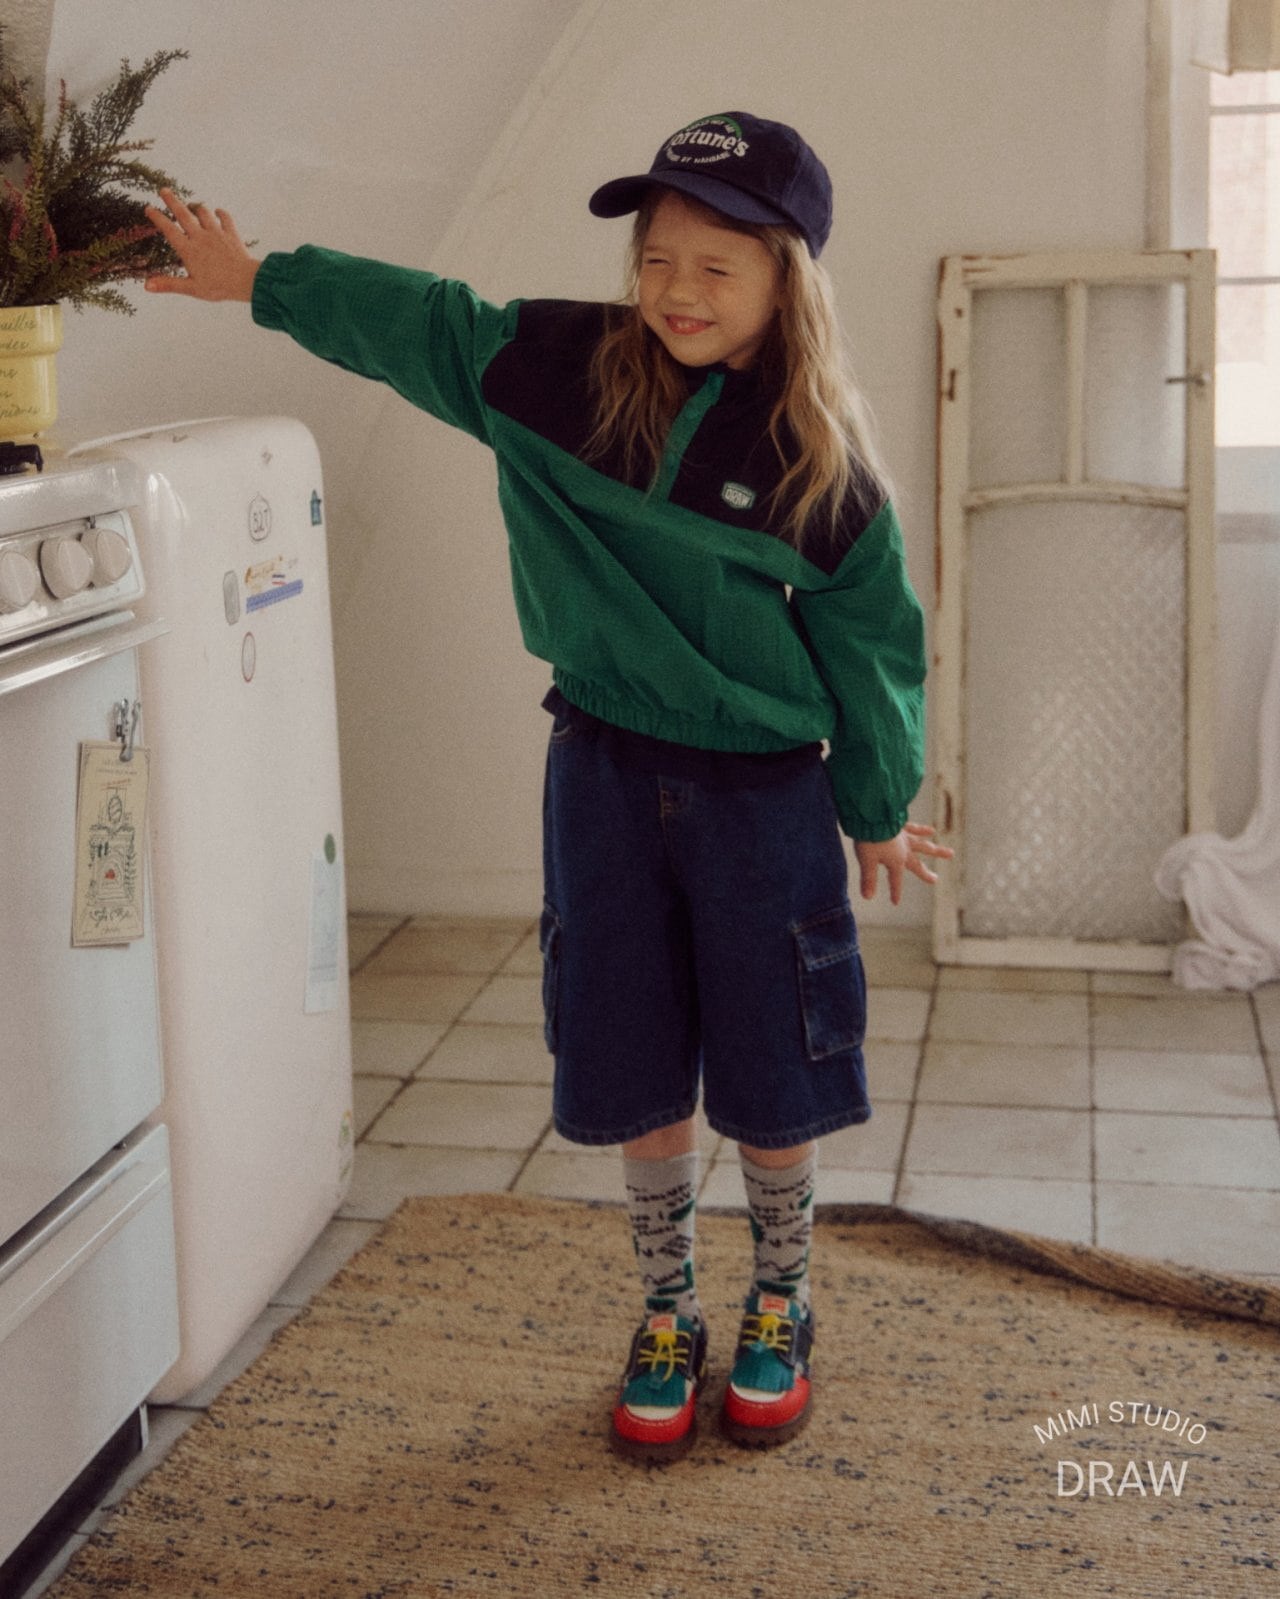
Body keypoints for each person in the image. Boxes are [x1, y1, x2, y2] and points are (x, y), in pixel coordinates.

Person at [145, 109, 951, 1463]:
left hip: (762, 799)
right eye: (658, 257)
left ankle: (783, 1297)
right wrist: (262, 282)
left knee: (777, 1058)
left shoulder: (820, 469)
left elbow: (876, 645)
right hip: (603, 771)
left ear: (787, 284)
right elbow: (426, 323)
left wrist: (876, 804)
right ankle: (667, 1309)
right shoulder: (553, 371)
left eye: (718, 267)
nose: (678, 289)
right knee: (630, 1038)